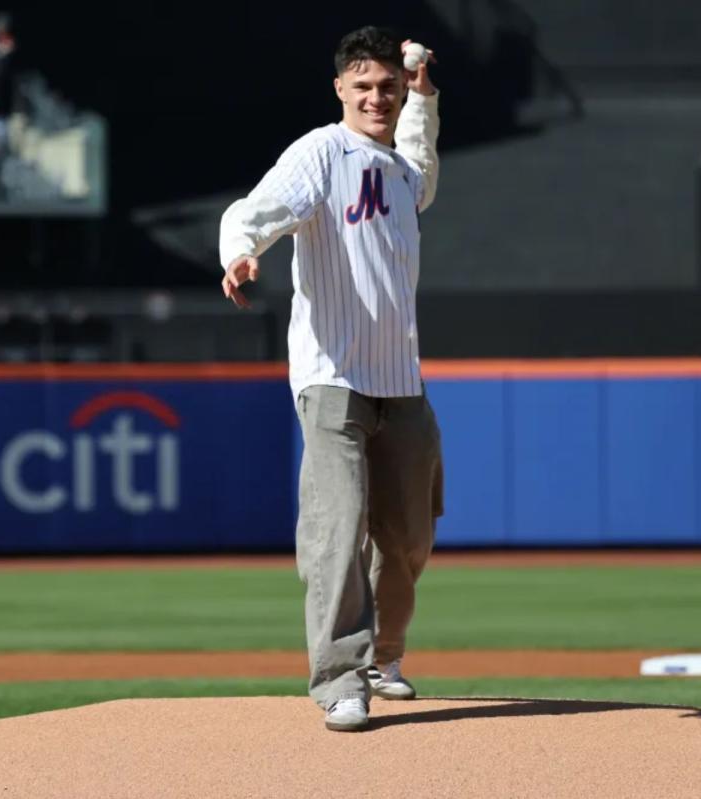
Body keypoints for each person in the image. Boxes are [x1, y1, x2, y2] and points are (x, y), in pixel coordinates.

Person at [218, 26, 442, 732]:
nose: (376, 96)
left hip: (400, 377)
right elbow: (250, 210)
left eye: (388, 86)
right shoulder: (322, 151)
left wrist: (426, 101)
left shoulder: (404, 171)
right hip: (332, 373)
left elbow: (419, 162)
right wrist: (241, 251)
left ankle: (383, 654)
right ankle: (339, 676)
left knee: (408, 532)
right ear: (340, 89)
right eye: (363, 85)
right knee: (337, 523)